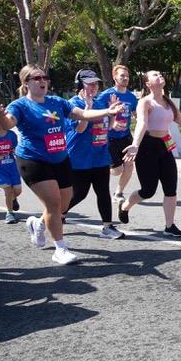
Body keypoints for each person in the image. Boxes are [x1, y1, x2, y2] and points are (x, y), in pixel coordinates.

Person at [0, 64, 122, 265]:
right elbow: (9, 123)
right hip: (33, 160)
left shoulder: (56, 102)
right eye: (37, 78)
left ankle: (38, 222)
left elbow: (81, 114)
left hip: (60, 158)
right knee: (54, 204)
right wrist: (2, 116)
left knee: (63, 203)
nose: (42, 80)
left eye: (44, 77)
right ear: (26, 82)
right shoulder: (20, 105)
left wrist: (108, 110)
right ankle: (60, 249)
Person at [117, 70, 181, 237]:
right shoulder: (145, 102)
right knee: (148, 190)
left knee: (171, 187)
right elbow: (142, 124)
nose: (160, 75)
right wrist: (135, 145)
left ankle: (169, 226)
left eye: (160, 74)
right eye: (155, 75)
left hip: (164, 145)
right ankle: (125, 206)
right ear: (148, 84)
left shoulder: (168, 102)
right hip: (147, 146)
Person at [65, 69, 123, 239]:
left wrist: (113, 115)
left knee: (103, 191)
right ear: (79, 85)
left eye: (95, 84)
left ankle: (108, 227)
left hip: (100, 155)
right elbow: (80, 129)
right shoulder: (71, 105)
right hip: (78, 157)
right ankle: (54, 214)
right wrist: (86, 110)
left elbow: (106, 126)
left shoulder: (99, 103)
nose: (94, 87)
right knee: (79, 193)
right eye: (89, 84)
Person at [100, 64, 139, 201]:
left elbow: (135, 113)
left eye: (127, 76)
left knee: (129, 164)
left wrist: (138, 116)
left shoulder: (132, 97)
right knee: (117, 171)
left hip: (126, 136)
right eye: (122, 75)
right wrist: (111, 121)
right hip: (110, 137)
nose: (125, 78)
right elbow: (97, 115)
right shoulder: (105, 96)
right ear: (114, 77)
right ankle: (100, 169)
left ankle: (118, 193)